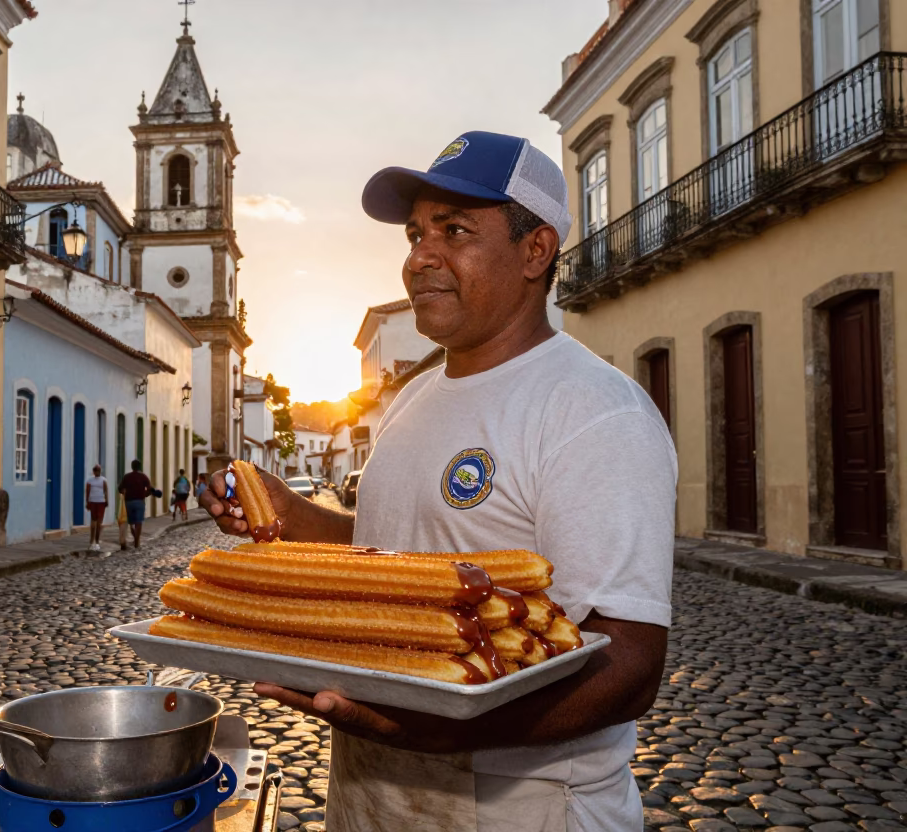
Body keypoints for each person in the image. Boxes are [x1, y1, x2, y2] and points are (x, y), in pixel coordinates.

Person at [199, 131, 676, 831]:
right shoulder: (415, 399)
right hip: (371, 791)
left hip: (519, 803)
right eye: (416, 233)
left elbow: (631, 663)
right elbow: (389, 553)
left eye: (454, 230)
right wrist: (291, 511)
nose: (420, 257)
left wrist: (446, 730)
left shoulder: (592, 410)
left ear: (535, 251)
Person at [118, 460, 153, 549]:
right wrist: (145, 495)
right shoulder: (143, 477)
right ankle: (137, 542)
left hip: (129, 502)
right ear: (139, 467)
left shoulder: (127, 477)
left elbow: (120, 488)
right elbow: (150, 489)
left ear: (132, 466)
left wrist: (125, 493)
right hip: (139, 501)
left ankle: (135, 538)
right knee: (139, 522)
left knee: (131, 522)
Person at [84, 464, 108, 551]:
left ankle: (93, 541)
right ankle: (95, 542)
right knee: (97, 522)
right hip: (98, 502)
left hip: (96, 502)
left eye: (98, 470)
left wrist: (87, 502)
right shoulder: (102, 480)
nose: (97, 472)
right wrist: (107, 500)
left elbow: (87, 491)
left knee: (95, 522)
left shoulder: (90, 480)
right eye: (97, 470)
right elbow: (105, 491)